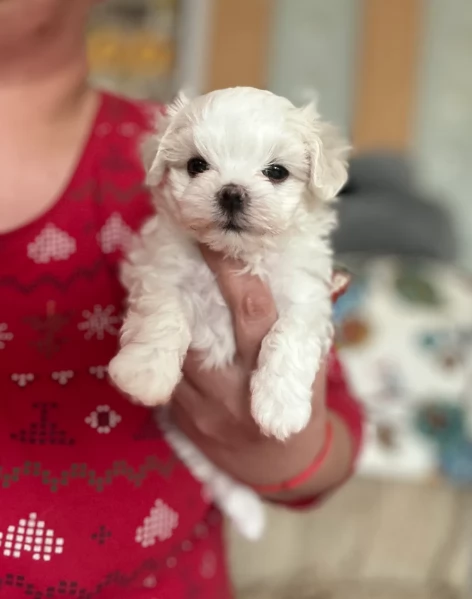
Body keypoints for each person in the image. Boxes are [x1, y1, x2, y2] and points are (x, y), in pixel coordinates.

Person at [0, 1, 363, 597]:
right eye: (199, 166)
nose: (232, 193)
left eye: (274, 173)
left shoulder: (137, 143)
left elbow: (337, 431)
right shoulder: (159, 192)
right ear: (166, 168)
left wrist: (283, 454)